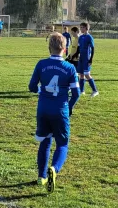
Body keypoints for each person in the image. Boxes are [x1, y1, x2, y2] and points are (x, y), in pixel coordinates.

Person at [28, 32, 80, 193]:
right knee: (62, 144)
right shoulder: (70, 67)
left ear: (49, 47)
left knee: (45, 141)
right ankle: (54, 169)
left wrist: (42, 93)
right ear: (64, 49)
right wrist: (69, 106)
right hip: (60, 110)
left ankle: (41, 176)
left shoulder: (41, 64)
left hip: (43, 109)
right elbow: (76, 93)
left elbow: (31, 87)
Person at [74, 22, 99, 97]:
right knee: (81, 74)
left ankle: (95, 90)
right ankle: (82, 91)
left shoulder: (89, 37)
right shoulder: (80, 37)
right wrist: (76, 54)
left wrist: (91, 59)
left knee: (87, 74)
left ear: (86, 28)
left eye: (82, 27)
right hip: (81, 58)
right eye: (80, 27)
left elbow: (93, 48)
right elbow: (79, 47)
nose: (81, 29)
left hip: (87, 58)